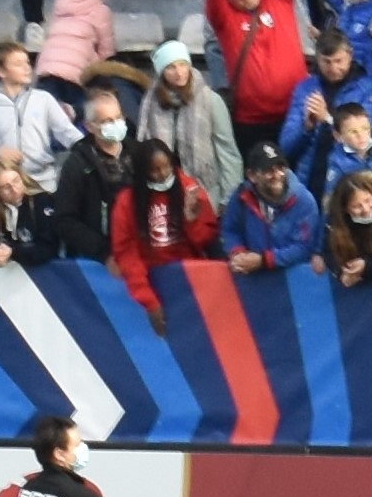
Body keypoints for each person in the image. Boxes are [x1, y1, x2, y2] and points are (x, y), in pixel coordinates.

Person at [109, 139, 220, 335]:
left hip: (192, 279)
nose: (163, 174)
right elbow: (126, 254)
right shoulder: (127, 202)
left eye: (167, 167)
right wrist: (148, 300)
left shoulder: (190, 189)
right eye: (155, 170)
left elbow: (207, 240)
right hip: (154, 282)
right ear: (142, 172)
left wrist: (191, 221)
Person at [279, 27, 372, 208]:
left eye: (338, 61)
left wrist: (328, 119)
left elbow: (367, 142)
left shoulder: (367, 89)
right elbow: (285, 146)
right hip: (310, 179)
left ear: (350, 55)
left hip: (349, 182)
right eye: (326, 62)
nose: (333, 68)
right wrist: (306, 127)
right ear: (317, 59)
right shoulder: (305, 89)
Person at [138, 40, 244, 212]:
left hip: (206, 194)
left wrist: (228, 199)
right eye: (171, 67)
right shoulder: (150, 103)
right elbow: (144, 149)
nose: (179, 72)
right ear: (161, 71)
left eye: (183, 64)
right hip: (164, 194)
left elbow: (228, 153)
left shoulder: (210, 101)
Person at [0, 42, 83, 193]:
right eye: (18, 64)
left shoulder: (44, 99)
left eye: (27, 62)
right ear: (1, 71)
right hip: (4, 192)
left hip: (44, 188)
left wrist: (90, 147)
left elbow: (68, 134)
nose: (27, 68)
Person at [205, 0, 310, 156]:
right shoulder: (224, 15)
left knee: (295, 174)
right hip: (252, 121)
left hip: (293, 113)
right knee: (257, 177)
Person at [55, 90, 133, 265]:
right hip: (95, 259)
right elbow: (65, 220)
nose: (116, 124)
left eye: (118, 117)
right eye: (107, 121)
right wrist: (104, 252)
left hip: (137, 252)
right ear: (89, 126)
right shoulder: (77, 163)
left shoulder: (138, 153)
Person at [221, 141, 323, 274]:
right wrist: (238, 252)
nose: (277, 175)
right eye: (269, 170)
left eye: (281, 168)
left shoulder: (303, 200)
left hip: (293, 280)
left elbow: (304, 247)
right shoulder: (241, 196)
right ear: (252, 175)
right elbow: (230, 230)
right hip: (252, 281)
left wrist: (264, 260)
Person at [32, 0, 115, 119]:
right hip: (76, 71)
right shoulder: (100, 9)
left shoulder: (62, 2)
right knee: (84, 111)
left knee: (46, 117)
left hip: (47, 66)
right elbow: (107, 50)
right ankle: (72, 111)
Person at [0, 161, 57, 266]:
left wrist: (13, 252)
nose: (14, 189)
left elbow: (48, 248)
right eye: (6, 187)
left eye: (16, 181)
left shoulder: (41, 201)